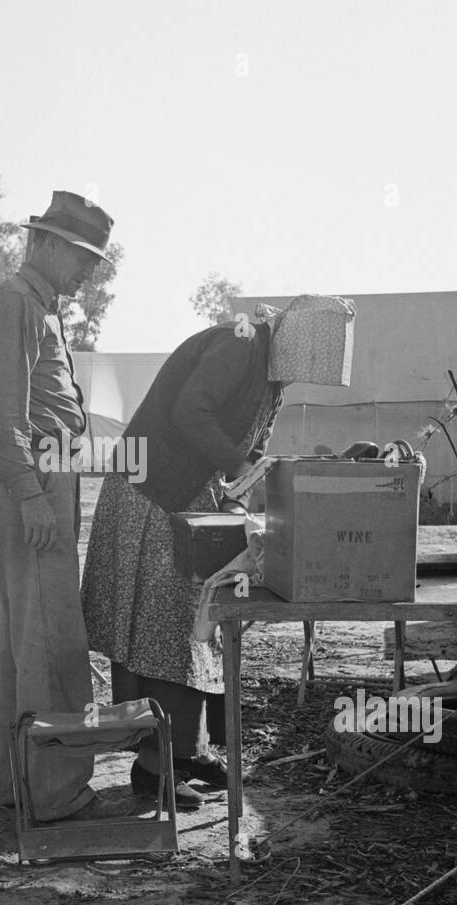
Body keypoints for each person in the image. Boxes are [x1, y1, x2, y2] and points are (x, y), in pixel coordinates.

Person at [82, 299, 317, 807]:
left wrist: (248, 478)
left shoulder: (272, 377)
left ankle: (189, 751)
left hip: (190, 501)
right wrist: (237, 466)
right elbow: (192, 412)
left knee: (196, 626)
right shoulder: (241, 342)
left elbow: (248, 445)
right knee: (161, 630)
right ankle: (153, 768)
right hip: (151, 495)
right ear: (295, 339)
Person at [0, 190, 127, 822]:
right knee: (55, 643)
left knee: (21, 641)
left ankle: (18, 785)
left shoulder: (42, 307)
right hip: (30, 485)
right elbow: (1, 417)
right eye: (82, 255)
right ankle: (60, 794)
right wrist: (33, 497)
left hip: (41, 481)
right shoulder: (15, 303)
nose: (90, 269)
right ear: (44, 243)